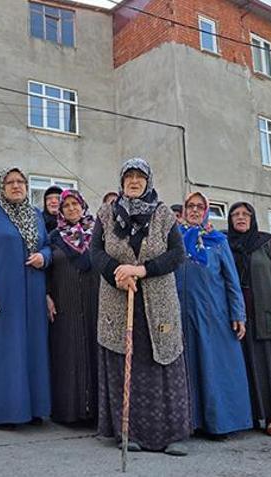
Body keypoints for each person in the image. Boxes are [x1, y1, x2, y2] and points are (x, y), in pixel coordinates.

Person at [91, 158, 190, 456]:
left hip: (158, 300)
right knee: (124, 363)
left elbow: (177, 254)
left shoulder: (162, 215)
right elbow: (95, 252)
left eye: (139, 177)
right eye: (129, 177)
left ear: (148, 181)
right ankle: (128, 432)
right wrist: (117, 272)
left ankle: (171, 434)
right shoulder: (107, 214)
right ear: (121, 182)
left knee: (163, 362)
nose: (134, 181)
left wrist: (143, 270)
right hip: (118, 298)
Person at [0, 167, 52, 426]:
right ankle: (2, 412)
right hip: (1, 292)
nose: (16, 186)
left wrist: (44, 257)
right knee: (3, 350)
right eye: (10, 182)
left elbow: (47, 245)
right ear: (1, 187)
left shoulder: (36, 215)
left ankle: (34, 409)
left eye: (21, 182)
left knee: (32, 349)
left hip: (34, 292)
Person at [175, 192, 252, 438]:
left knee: (214, 367)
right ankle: (191, 422)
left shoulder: (218, 241)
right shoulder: (174, 240)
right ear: (184, 210)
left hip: (213, 314)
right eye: (190, 206)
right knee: (188, 368)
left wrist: (238, 313)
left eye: (200, 206)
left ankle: (219, 424)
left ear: (206, 211)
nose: (195, 210)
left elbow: (231, 279)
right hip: (182, 314)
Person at [227, 202, 271, 437]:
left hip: (267, 313)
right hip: (238, 316)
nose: (240, 218)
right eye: (235, 214)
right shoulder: (226, 244)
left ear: (252, 218)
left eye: (245, 214)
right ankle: (249, 415)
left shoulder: (267, 241)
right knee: (244, 366)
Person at [46, 190, 99, 424]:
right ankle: (69, 412)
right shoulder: (53, 236)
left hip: (94, 300)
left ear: (83, 205)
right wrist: (46, 295)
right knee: (67, 354)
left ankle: (96, 410)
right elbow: (45, 268)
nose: (71, 209)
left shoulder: (98, 233)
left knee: (93, 351)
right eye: (65, 205)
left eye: (74, 204)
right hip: (63, 301)